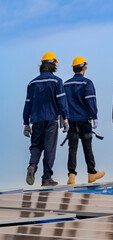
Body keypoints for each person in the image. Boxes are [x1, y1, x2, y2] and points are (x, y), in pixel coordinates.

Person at [23, 52, 69, 186]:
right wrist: (65, 119)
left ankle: (32, 165)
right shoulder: (56, 81)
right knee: (49, 148)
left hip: (36, 120)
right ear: (53, 65)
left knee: (36, 146)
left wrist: (26, 123)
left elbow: (27, 105)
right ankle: (46, 178)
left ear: (42, 65)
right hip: (51, 120)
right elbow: (62, 103)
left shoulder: (32, 83)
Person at [64, 56, 105, 184]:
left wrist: (64, 119)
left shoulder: (65, 84)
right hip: (84, 120)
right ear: (83, 68)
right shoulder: (87, 82)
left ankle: (71, 175)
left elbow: (62, 104)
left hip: (70, 121)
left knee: (72, 147)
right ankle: (91, 173)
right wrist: (95, 116)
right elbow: (90, 100)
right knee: (87, 146)